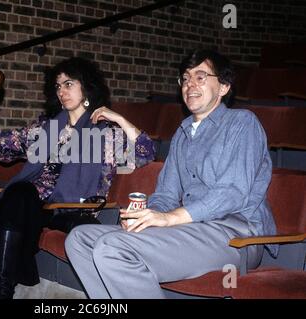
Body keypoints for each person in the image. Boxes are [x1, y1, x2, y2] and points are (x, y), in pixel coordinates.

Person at [65, 49, 278, 298]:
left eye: (200, 77)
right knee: (79, 240)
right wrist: (146, 217)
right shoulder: (183, 133)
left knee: (112, 247)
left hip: (234, 236)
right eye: (185, 78)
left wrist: (170, 218)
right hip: (193, 230)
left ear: (223, 87)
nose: (190, 85)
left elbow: (232, 193)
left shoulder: (242, 123)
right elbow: (166, 193)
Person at [0, 57, 156, 299]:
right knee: (20, 193)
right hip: (33, 203)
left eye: (68, 84)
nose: (62, 91)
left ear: (87, 86)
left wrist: (119, 119)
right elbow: (7, 143)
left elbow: (145, 152)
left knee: (14, 202)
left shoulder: (104, 133)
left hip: (69, 208)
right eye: (58, 86)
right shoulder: (48, 128)